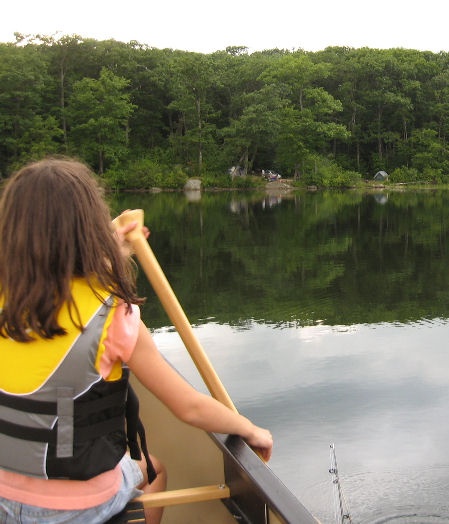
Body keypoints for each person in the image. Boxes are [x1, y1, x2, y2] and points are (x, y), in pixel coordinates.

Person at [0, 157, 273, 524]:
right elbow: (189, 408)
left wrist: (111, 255)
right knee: (155, 469)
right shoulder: (114, 316)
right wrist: (249, 429)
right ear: (89, 228)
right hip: (81, 506)